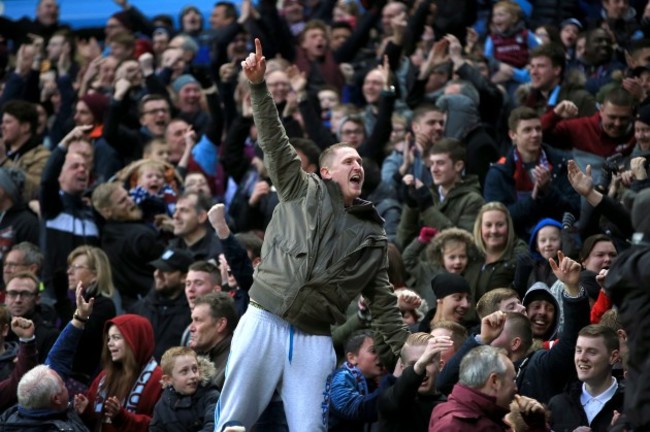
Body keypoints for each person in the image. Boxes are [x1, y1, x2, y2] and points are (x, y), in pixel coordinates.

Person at [213, 39, 408, 431]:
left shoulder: (374, 236)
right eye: (348, 160)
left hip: (315, 339)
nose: (358, 165)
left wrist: (406, 351)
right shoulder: (299, 188)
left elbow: (384, 305)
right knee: (232, 424)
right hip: (264, 317)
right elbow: (274, 139)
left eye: (360, 161)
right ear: (325, 172)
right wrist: (257, 87)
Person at [46, 285, 163, 432]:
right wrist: (86, 410)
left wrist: (122, 417)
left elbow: (160, 425)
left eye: (116, 338)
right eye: (108, 339)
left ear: (135, 339)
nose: (110, 344)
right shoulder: (104, 376)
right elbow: (95, 420)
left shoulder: (158, 379)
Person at [548, 325, 624, 432]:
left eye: (592, 352)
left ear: (613, 357)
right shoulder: (558, 405)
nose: (582, 358)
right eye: (578, 350)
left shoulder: (631, 406)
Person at [429, 345, 519, 431]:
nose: (515, 388)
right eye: (513, 380)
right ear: (494, 381)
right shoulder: (452, 426)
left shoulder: (487, 416)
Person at [377, 333, 453, 432]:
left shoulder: (448, 406)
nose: (423, 370)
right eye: (413, 364)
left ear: (441, 365)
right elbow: (397, 397)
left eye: (428, 361)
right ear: (402, 368)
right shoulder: (389, 399)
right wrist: (419, 367)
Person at [65, 246, 117, 387]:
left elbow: (80, 340)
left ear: (95, 275)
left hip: (83, 381)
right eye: (69, 267)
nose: (69, 272)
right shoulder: (70, 302)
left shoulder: (103, 306)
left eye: (76, 267)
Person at [131, 248, 193, 361]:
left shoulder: (192, 313)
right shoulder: (140, 308)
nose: (157, 274)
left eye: (165, 270)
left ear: (184, 277)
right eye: (157, 269)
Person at [149, 346, 220, 432]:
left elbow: (214, 425)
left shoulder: (210, 395)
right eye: (184, 371)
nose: (193, 375)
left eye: (195, 369)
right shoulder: (162, 408)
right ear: (168, 379)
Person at [0, 364, 89, 432]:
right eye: (63, 385)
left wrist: (71, 411)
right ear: (56, 399)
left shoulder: (8, 418)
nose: (66, 386)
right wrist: (75, 418)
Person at [328, 331, 386, 431]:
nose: (380, 356)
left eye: (381, 351)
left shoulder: (371, 381)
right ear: (352, 358)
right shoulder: (341, 378)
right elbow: (353, 408)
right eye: (373, 351)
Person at [189, 292, 238, 389]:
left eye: (198, 320)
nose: (191, 328)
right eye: (192, 320)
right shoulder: (193, 358)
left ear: (220, 324)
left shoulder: (233, 366)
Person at [0, 317, 38, 412]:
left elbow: (23, 385)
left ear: (4, 330)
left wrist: (27, 340)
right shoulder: (24, 358)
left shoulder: (24, 358)